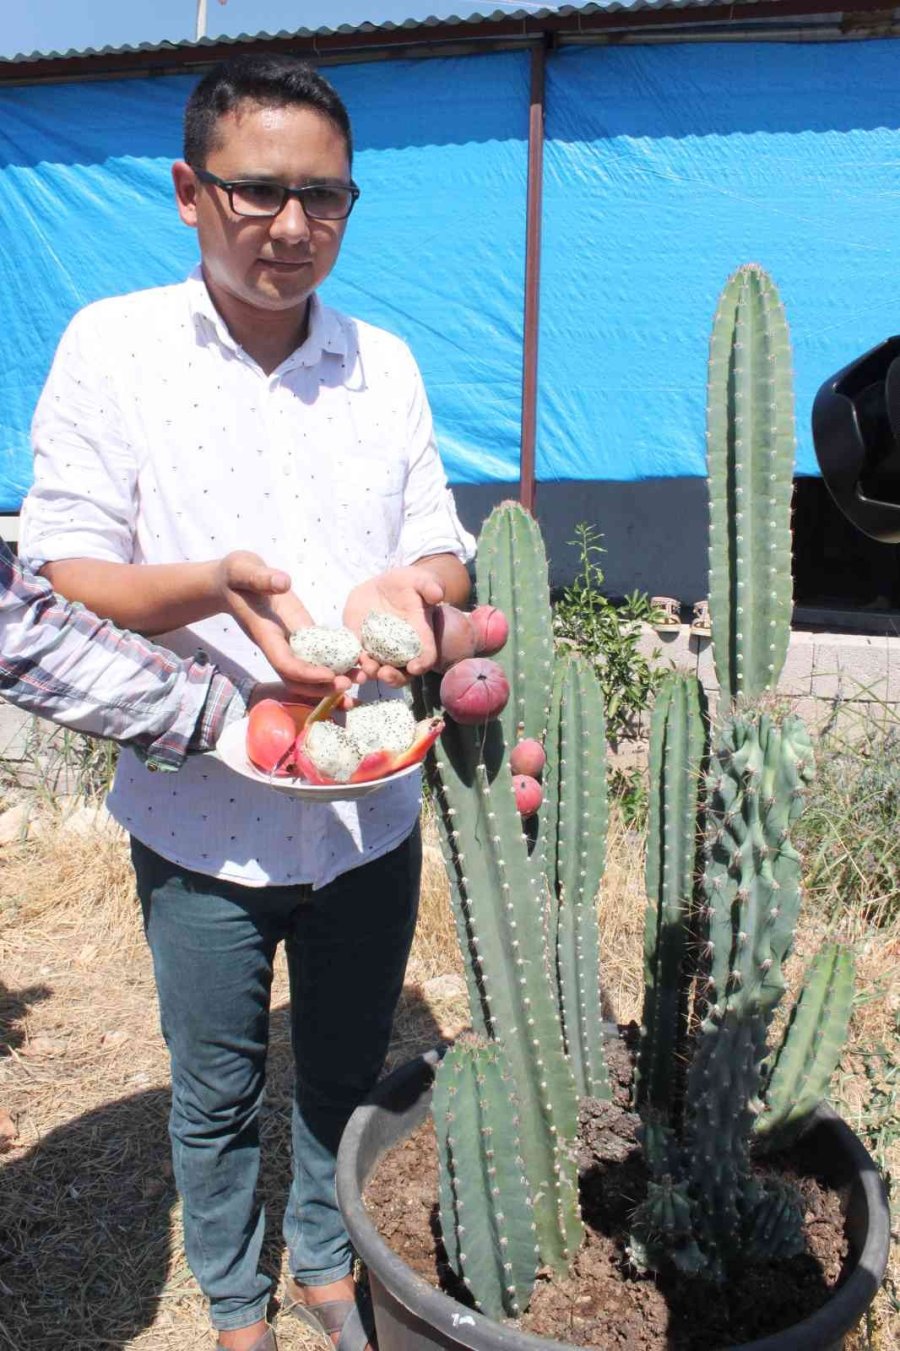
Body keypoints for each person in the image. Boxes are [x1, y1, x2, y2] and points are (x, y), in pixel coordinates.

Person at [19, 53, 475, 1351]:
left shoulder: (379, 364)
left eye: (322, 198)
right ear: (187, 191)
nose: (290, 227)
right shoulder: (114, 350)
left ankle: (327, 1256)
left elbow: (441, 545)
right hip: (199, 811)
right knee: (215, 1088)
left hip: (367, 810)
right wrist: (213, 585)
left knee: (340, 1074)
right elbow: (66, 568)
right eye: (256, 191)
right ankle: (232, 1299)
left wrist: (415, 585)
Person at [0, 538, 294, 764]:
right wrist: (214, 586)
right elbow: (25, 631)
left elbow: (26, 632)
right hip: (187, 815)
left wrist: (243, 708)